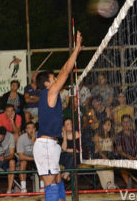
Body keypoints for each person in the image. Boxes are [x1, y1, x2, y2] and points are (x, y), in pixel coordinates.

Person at [33, 31, 83, 201]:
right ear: (47, 83)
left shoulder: (48, 95)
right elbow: (65, 71)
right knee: (51, 185)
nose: (56, 79)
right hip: (45, 145)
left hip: (51, 145)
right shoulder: (50, 92)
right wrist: (76, 50)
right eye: (53, 78)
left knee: (58, 181)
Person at [116, 114, 137, 188]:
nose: (126, 124)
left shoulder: (136, 133)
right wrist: (129, 157)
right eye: (124, 122)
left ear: (131, 123)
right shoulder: (119, 135)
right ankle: (128, 184)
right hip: (125, 156)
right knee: (120, 164)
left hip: (136, 155)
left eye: (128, 122)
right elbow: (119, 150)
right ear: (121, 124)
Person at [17, 121, 44, 193]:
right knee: (23, 163)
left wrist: (35, 141)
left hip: (37, 158)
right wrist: (33, 158)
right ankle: (23, 188)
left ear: (35, 129)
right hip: (27, 158)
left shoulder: (40, 137)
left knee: (40, 162)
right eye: (28, 128)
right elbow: (21, 156)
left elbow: (42, 153)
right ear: (26, 130)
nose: (31, 130)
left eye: (32, 128)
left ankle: (42, 187)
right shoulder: (21, 138)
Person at [93, 118, 116, 189]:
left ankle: (110, 184)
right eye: (106, 124)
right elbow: (99, 149)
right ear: (102, 125)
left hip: (109, 156)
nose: (108, 126)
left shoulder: (112, 136)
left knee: (109, 167)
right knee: (102, 166)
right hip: (99, 156)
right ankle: (108, 184)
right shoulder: (97, 136)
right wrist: (104, 156)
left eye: (110, 125)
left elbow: (112, 149)